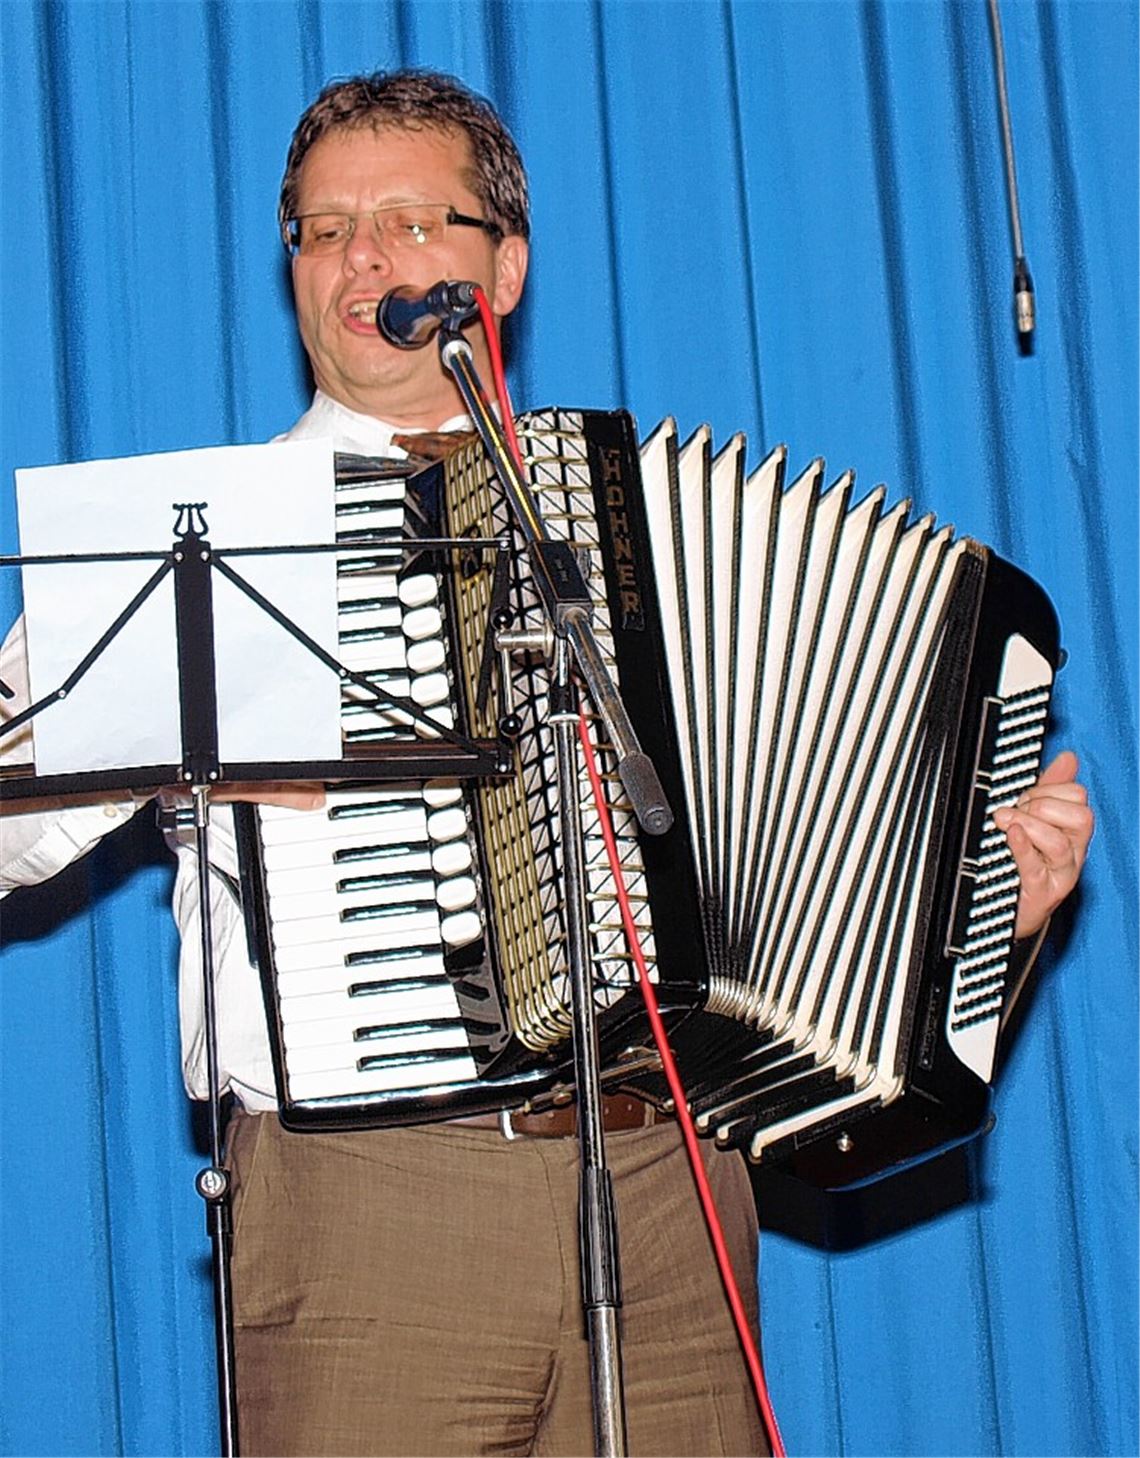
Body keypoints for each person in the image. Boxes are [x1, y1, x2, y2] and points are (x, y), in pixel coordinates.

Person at [0, 69, 1094, 1458]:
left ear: (501, 267)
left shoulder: (644, 534)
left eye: (410, 219)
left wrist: (988, 912)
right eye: (325, 230)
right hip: (369, 1221)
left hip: (674, 1189)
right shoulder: (210, 549)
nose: (365, 258)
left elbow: (807, 897)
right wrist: (207, 740)